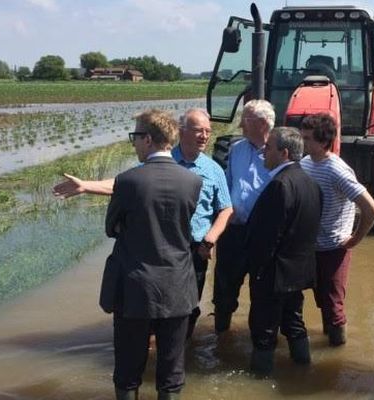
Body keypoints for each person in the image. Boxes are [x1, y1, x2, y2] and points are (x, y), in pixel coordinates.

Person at [53, 108, 233, 337]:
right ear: (181, 131)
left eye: (208, 131)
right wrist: (86, 186)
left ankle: (182, 347)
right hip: (158, 246)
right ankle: (153, 346)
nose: (205, 136)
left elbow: (226, 208)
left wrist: (210, 239)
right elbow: (127, 183)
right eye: (199, 130)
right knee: (151, 304)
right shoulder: (161, 160)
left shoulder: (214, 169)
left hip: (194, 249)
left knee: (187, 306)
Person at [101, 109, 201, 400]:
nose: (134, 144)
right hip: (178, 288)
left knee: (128, 370)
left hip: (135, 288)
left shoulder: (128, 181)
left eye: (135, 137)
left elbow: (111, 228)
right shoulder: (192, 182)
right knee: (171, 371)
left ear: (147, 139)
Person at [244, 127, 322, 375]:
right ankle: (303, 370)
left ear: (284, 153)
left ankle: (259, 380)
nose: (263, 153)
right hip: (298, 273)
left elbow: (266, 237)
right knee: (294, 323)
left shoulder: (280, 185)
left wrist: (256, 269)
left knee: (264, 331)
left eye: (268, 148)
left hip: (273, 274)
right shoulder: (311, 183)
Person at [299, 113, 374, 346]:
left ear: (323, 141)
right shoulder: (304, 164)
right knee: (321, 301)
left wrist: (355, 239)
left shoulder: (337, 170)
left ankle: (336, 359)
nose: (303, 143)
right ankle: (327, 341)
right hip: (310, 249)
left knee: (334, 306)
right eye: (302, 137)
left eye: (307, 138)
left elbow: (371, 209)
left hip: (334, 248)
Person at [213, 99, 274, 333]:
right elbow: (227, 186)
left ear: (261, 123)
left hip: (263, 236)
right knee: (224, 291)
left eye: (244, 120)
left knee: (262, 294)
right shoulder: (236, 149)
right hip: (234, 232)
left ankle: (261, 342)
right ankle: (221, 336)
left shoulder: (279, 150)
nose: (240, 125)